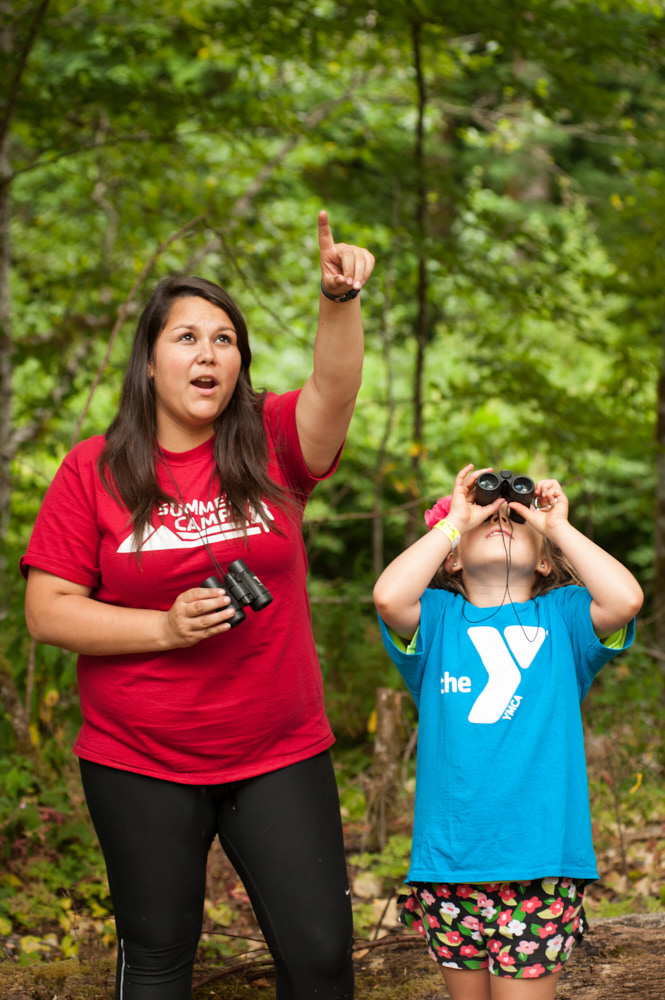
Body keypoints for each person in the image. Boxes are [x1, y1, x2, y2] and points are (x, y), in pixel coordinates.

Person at [21, 211, 374, 1000]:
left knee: (319, 957)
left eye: (223, 338)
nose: (208, 352)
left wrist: (337, 300)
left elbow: (335, 387)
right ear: (148, 362)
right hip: (138, 756)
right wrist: (164, 627)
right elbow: (48, 612)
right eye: (185, 337)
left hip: (278, 749)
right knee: (156, 956)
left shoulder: (271, 441)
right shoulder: (93, 472)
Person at [373, 463, 643, 1000]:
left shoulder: (564, 618)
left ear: (544, 561)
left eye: (516, 520)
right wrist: (454, 520)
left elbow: (625, 599)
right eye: (485, 520)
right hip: (449, 863)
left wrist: (556, 525)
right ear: (452, 557)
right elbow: (387, 597)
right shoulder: (437, 618)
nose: (501, 520)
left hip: (540, 862)